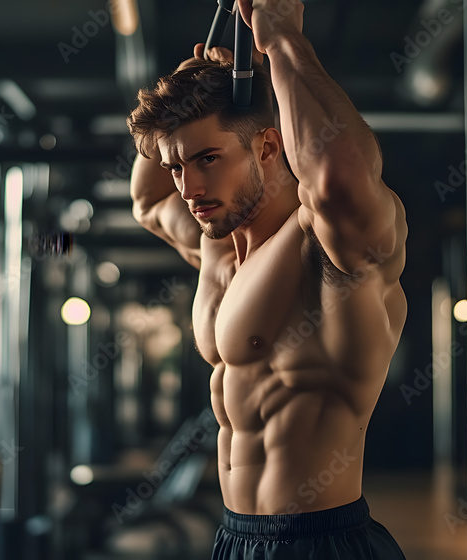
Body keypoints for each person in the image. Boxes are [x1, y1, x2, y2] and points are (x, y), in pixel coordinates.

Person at [127, 0, 407, 557]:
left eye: (207, 158)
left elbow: (336, 178)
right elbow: (147, 201)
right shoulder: (216, 246)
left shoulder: (328, 250)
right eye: (178, 165)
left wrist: (281, 42)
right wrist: (188, 82)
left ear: (269, 146)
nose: (188, 186)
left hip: (321, 543)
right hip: (234, 539)